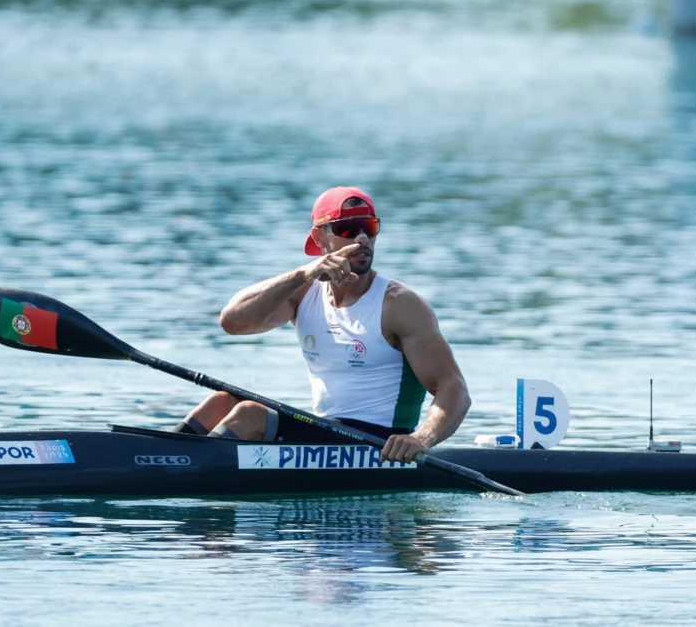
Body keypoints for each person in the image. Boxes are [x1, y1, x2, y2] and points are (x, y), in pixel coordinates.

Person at [171, 186, 471, 464]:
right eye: (347, 229)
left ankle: (180, 471)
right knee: (221, 402)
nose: (362, 239)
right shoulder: (303, 294)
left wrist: (420, 438)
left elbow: (453, 388)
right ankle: (165, 458)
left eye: (369, 227)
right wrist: (303, 274)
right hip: (326, 434)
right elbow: (232, 322)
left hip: (377, 444)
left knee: (250, 415)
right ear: (319, 239)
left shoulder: (400, 304)